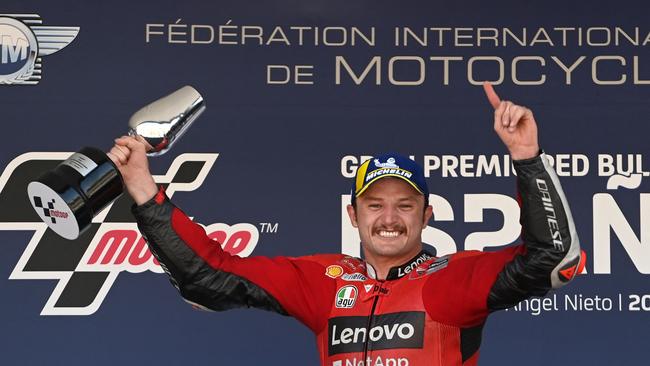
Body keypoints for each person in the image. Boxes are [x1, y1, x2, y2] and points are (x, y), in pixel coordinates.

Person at [107, 83, 582, 366]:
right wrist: (145, 190)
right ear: (353, 216)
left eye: (405, 205)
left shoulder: (452, 281)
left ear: (428, 216)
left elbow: (551, 259)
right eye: (374, 205)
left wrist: (527, 158)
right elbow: (209, 276)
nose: (390, 218)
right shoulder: (323, 282)